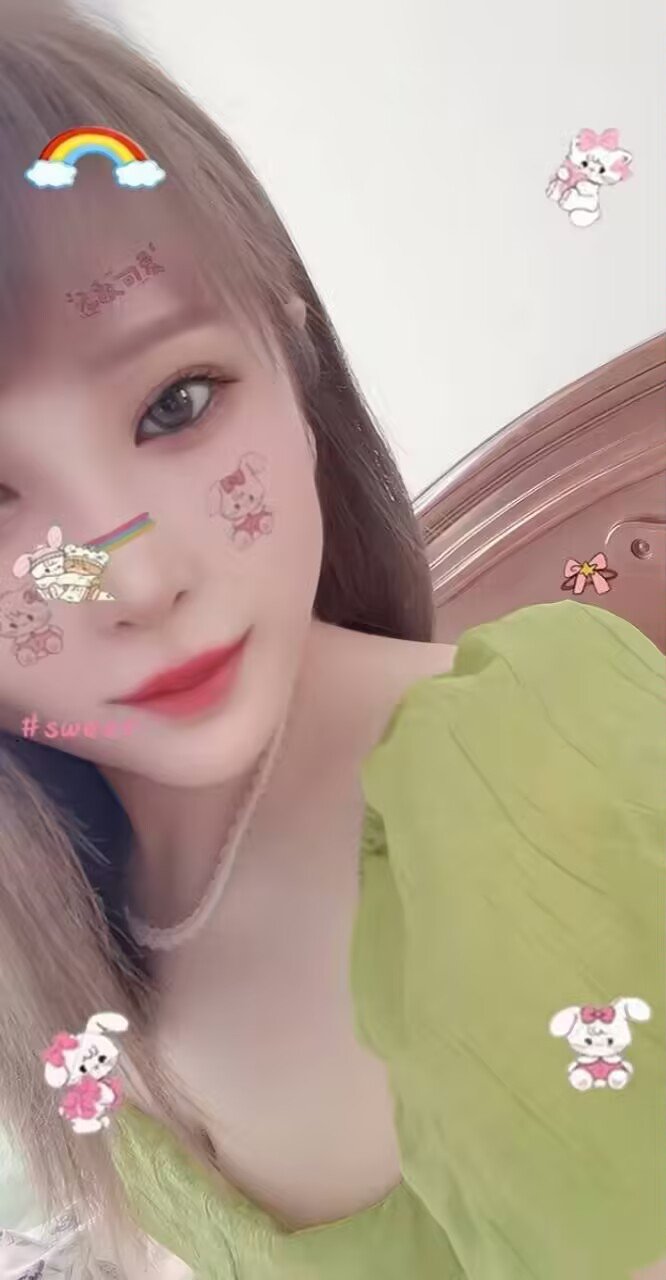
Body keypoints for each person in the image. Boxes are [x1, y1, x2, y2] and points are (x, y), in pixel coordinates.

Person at [0, 2, 663, 1277]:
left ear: (292, 360)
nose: (137, 576)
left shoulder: (524, 789)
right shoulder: (56, 903)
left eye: (176, 404)